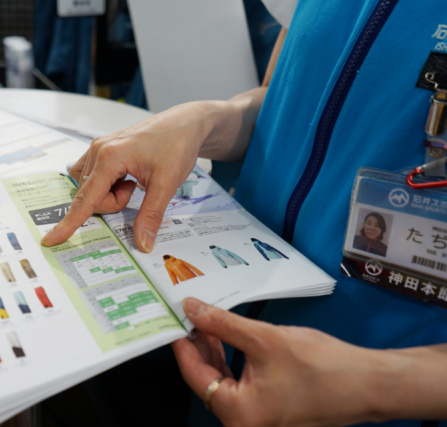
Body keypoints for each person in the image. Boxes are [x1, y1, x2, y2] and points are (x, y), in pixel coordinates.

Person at [42, 0, 447, 425]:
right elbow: (283, 102)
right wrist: (201, 121)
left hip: (356, 403)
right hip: (222, 351)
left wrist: (376, 385)